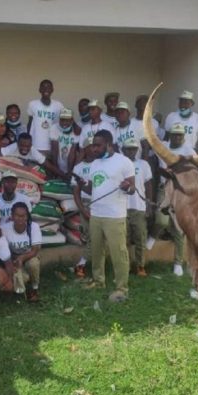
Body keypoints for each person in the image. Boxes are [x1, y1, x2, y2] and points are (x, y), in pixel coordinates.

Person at [80, 129, 135, 303]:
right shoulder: (95, 164)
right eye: (93, 146)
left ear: (109, 145)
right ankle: (98, 281)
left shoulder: (124, 162)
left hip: (115, 216)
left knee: (119, 253)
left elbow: (132, 189)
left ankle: (122, 288)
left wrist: (127, 187)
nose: (94, 149)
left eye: (98, 145)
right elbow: (92, 188)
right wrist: (81, 184)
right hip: (96, 214)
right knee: (97, 251)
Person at [148, 123, 196, 276]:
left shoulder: (189, 151)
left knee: (178, 229)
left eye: (180, 135)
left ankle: (178, 263)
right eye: (175, 134)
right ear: (170, 135)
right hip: (164, 189)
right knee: (161, 220)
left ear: (184, 136)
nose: (177, 137)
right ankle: (153, 236)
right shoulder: (162, 146)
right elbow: (149, 151)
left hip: (180, 192)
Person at [122, 138, 153, 277]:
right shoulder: (119, 165)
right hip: (122, 208)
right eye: (128, 149)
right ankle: (126, 266)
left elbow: (148, 185)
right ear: (123, 150)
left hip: (139, 207)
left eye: (133, 149)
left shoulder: (143, 164)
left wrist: (149, 205)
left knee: (140, 238)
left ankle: (140, 266)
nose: (131, 151)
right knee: (125, 239)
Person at [2, 202, 41, 302]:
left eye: (23, 216)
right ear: (12, 216)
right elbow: (3, 251)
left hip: (29, 257)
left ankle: (34, 288)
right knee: (23, 279)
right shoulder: (4, 228)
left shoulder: (34, 227)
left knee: (34, 263)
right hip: (12, 259)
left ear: (27, 216)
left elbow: (35, 250)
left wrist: (22, 258)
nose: (20, 218)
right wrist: (12, 263)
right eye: (17, 215)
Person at [71, 136, 95, 278]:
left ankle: (83, 264)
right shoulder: (78, 168)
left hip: (102, 204)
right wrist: (83, 210)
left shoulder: (102, 164)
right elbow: (76, 192)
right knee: (91, 236)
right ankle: (81, 264)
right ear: (85, 149)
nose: (94, 149)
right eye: (91, 146)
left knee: (96, 237)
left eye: (95, 146)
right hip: (85, 204)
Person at [1, 132, 67, 179]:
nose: (25, 148)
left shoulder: (33, 151)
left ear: (31, 145)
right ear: (17, 144)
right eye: (22, 145)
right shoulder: (12, 147)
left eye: (27, 146)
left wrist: (65, 176)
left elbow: (49, 165)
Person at [27, 79, 63, 154]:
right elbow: (29, 123)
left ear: (52, 90)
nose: (46, 89)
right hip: (36, 144)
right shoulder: (32, 104)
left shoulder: (59, 105)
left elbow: (62, 124)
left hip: (53, 144)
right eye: (43, 87)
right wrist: (27, 139)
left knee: (52, 161)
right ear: (39, 90)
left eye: (48, 87)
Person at [50, 108, 79, 175]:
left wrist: (69, 172)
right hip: (57, 163)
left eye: (67, 120)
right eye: (62, 120)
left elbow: (72, 152)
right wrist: (56, 170)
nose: (64, 123)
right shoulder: (54, 128)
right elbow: (54, 150)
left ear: (72, 120)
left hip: (71, 164)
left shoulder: (76, 131)